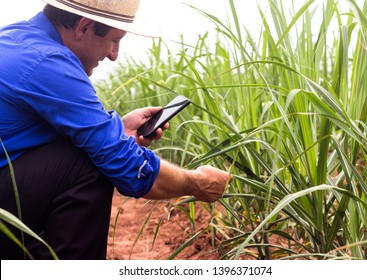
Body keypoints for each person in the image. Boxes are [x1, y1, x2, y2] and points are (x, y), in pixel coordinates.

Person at [0, 0, 231, 260]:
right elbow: (127, 166)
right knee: (90, 161)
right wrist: (198, 183)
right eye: (115, 40)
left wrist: (117, 130)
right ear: (84, 26)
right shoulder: (50, 62)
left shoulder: (14, 37)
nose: (114, 54)